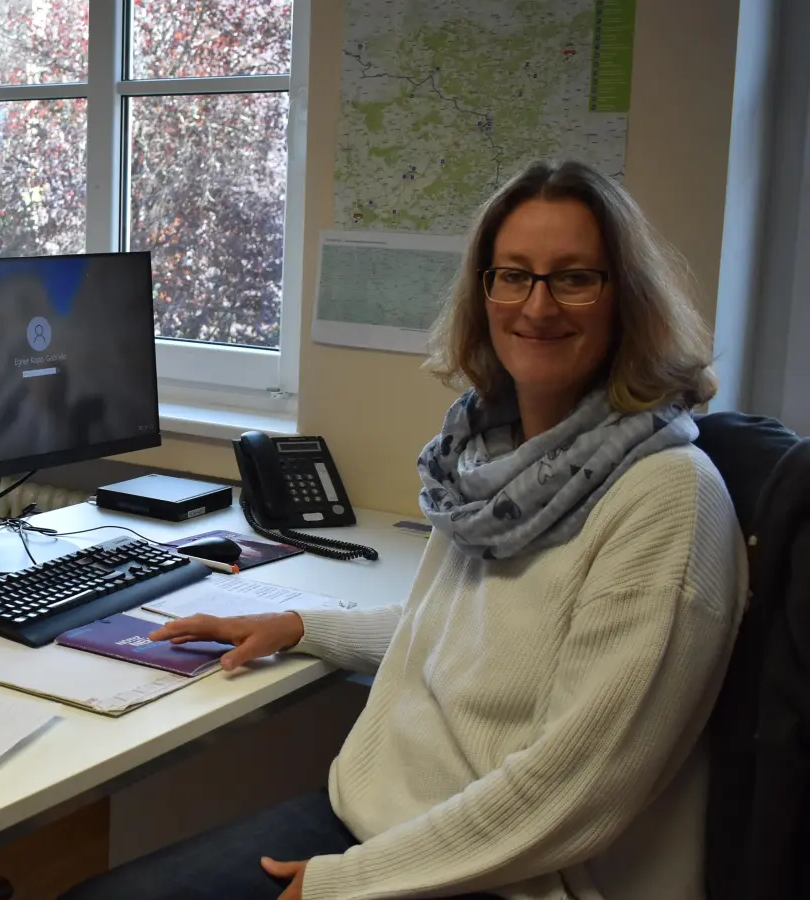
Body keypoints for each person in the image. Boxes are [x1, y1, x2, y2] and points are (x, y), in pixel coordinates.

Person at [64, 160, 746, 900]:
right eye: (512, 275)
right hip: (384, 825)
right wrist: (297, 624)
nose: (537, 306)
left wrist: (344, 884)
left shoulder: (667, 500)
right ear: (483, 292)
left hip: (518, 877)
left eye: (574, 277)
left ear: (627, 300)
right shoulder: (492, 457)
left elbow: (572, 793)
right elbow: (449, 634)